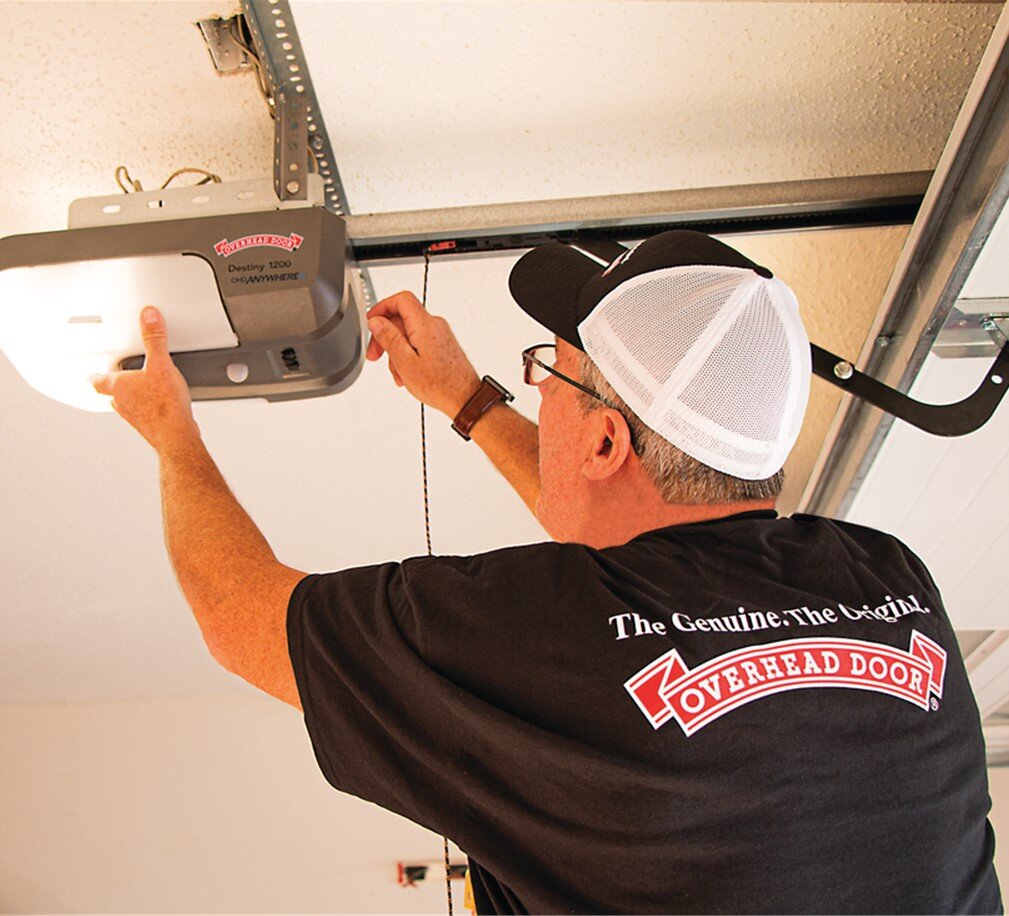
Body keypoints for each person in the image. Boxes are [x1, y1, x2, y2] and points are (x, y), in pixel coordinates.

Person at [91, 230, 1001, 914]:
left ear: (604, 437)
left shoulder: (533, 629)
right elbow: (629, 562)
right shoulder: (885, 581)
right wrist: (466, 397)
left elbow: (240, 614)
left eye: (549, 373)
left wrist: (171, 432)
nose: (536, 388)